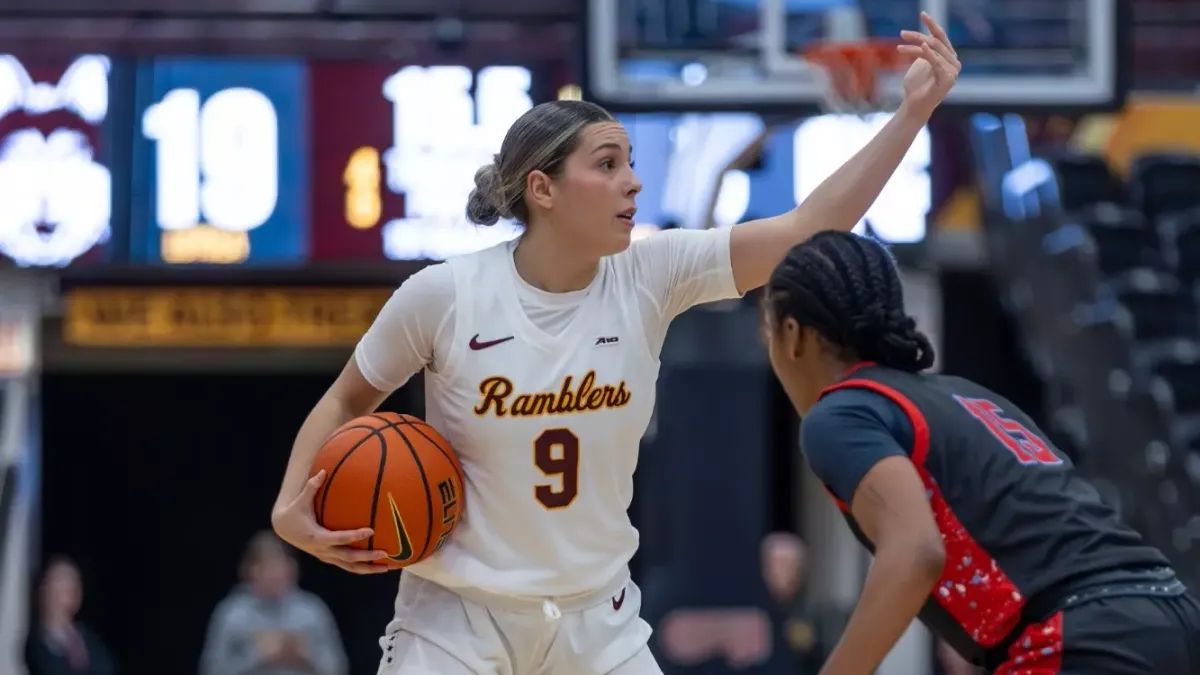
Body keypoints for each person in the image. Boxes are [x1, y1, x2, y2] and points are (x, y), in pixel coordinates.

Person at [270, 13, 960, 674]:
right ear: (543, 188)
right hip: (455, 617)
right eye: (607, 164)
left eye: (630, 161)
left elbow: (807, 227)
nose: (633, 180)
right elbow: (347, 399)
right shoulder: (445, 294)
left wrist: (911, 114)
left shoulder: (651, 275)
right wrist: (289, 508)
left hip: (596, 621)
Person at [761, 230, 1200, 674]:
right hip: (1174, 613)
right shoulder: (965, 396)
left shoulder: (838, 412)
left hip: (1084, 635)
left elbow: (915, 552)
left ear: (793, 335)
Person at [199, 531, 347, 675]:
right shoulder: (232, 615)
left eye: (281, 565)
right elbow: (211, 669)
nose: (277, 574)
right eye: (269, 567)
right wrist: (259, 654)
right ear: (251, 570)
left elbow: (339, 667)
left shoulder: (312, 611)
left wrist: (306, 655)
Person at [24, 555, 116, 675]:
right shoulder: (38, 644)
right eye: (62, 583)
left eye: (75, 582)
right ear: (45, 591)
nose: (72, 589)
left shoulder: (89, 639)